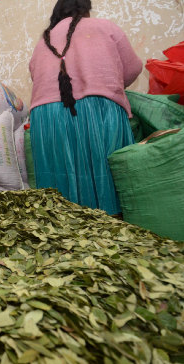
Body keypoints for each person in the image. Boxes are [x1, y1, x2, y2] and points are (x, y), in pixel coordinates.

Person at [28, 0, 142, 215]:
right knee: (106, 174)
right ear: (86, 9)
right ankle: (113, 226)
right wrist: (108, 85)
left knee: (61, 182)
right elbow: (133, 68)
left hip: (45, 118)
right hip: (97, 108)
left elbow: (36, 76)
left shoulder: (43, 42)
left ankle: (68, 231)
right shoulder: (104, 26)